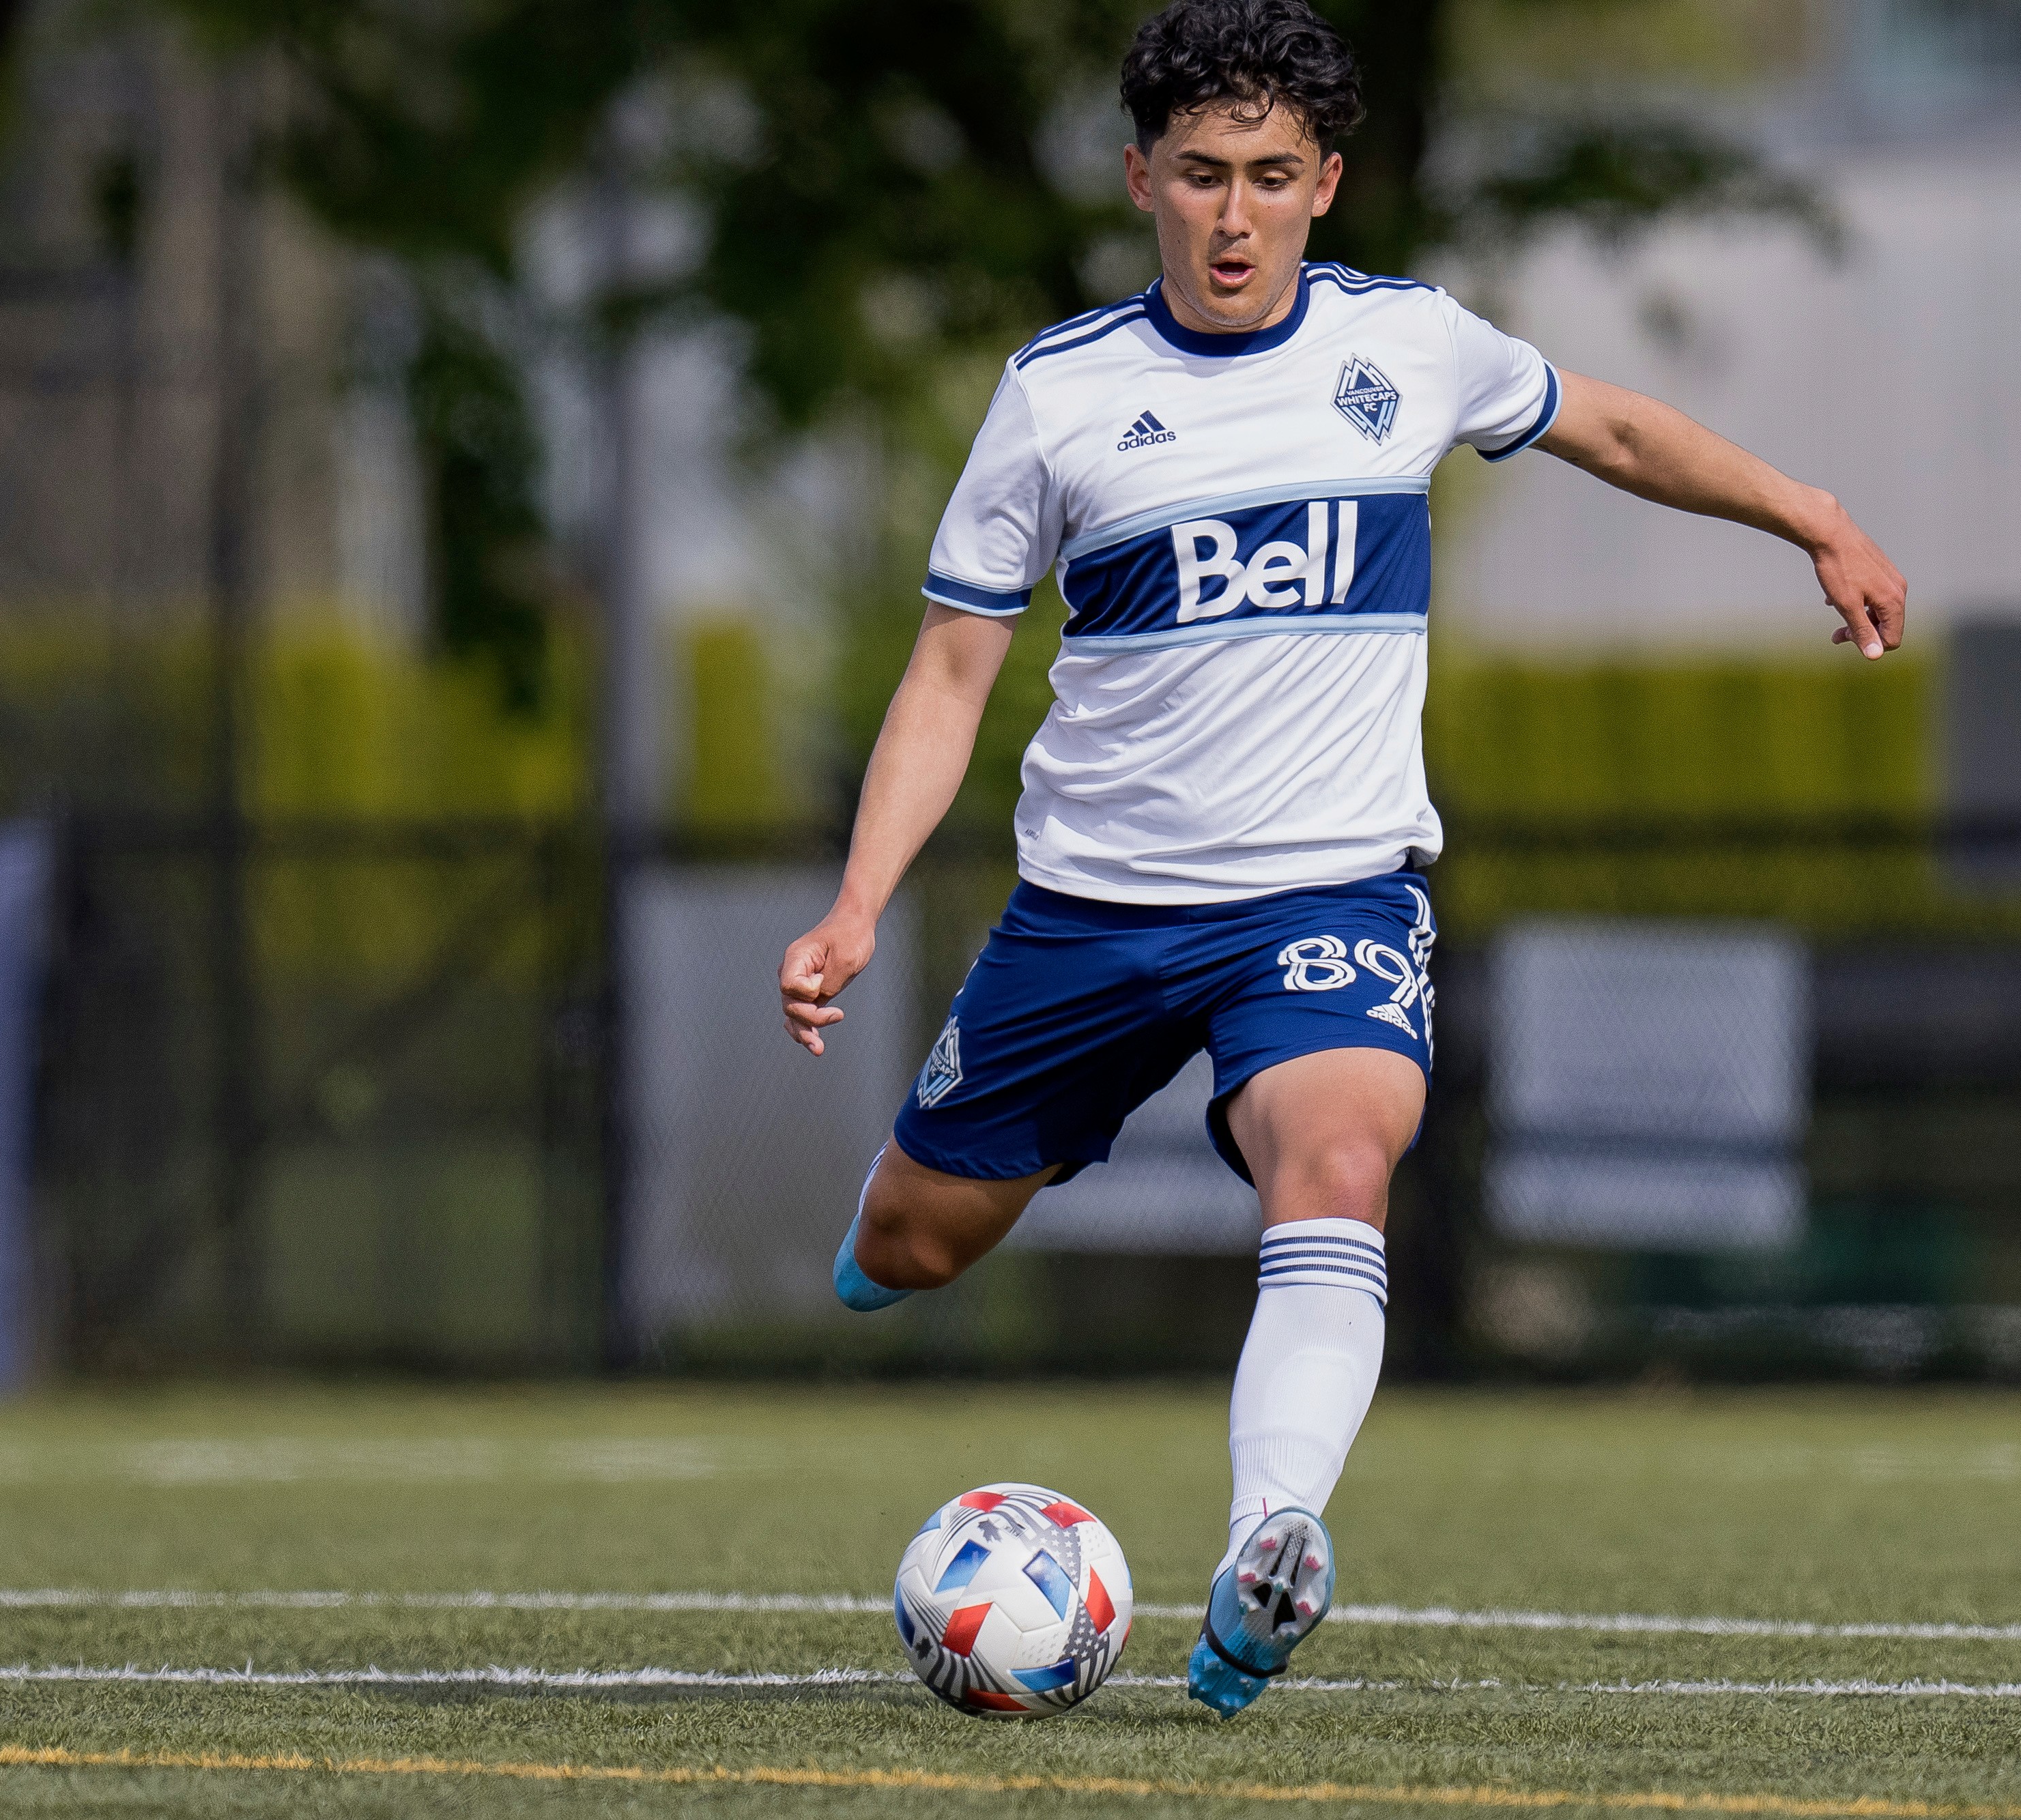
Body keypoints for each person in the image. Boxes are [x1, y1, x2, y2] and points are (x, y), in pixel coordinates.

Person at [779, 0, 1907, 1716]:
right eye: (1200, 175)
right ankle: (905, 1222)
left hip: (1328, 890)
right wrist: (859, 903)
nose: (1233, 215)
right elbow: (950, 673)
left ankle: (1270, 1542)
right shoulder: (1057, 396)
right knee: (909, 1247)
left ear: (1323, 183)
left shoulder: (1409, 345)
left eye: (1270, 176)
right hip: (1094, 909)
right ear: (1140, 178)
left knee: (1336, 1160)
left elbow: (1610, 427)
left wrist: (1811, 515)